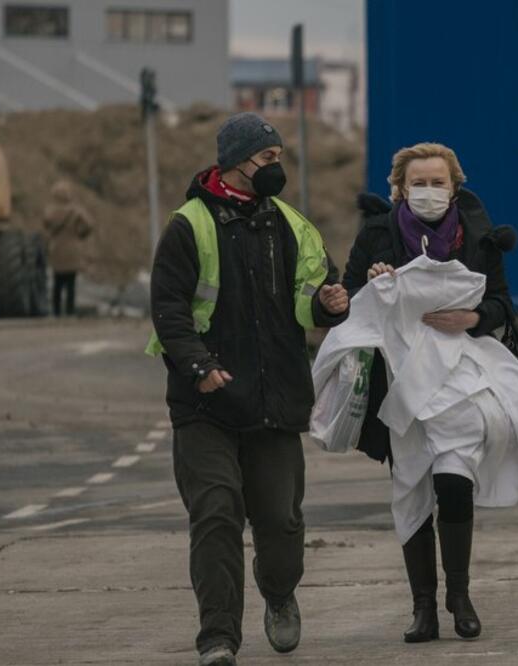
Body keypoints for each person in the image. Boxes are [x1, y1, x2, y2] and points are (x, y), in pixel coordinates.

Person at [147, 112, 350, 666]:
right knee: (215, 514)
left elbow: (315, 296)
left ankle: (280, 594)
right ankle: (217, 639)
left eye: (280, 157)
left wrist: (332, 305)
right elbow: (168, 311)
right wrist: (198, 367)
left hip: (277, 401)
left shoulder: (292, 225)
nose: (276, 167)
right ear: (236, 162)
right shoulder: (188, 226)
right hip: (205, 405)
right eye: (267, 158)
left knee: (282, 524)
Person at [340, 143, 518, 644]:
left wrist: (474, 317)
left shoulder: (480, 237)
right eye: (417, 183)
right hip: (400, 382)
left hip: (462, 373)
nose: (428, 192)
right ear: (399, 188)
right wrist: (372, 284)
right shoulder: (377, 234)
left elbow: (502, 304)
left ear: (455, 187)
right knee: (412, 486)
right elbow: (348, 299)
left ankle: (458, 595)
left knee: (454, 482)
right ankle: (423, 608)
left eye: (437, 183)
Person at [42, 180, 92, 316]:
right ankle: (70, 312)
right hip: (72, 251)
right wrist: (80, 234)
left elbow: (45, 224)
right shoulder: (76, 211)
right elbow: (88, 224)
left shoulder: (50, 211)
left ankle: (56, 312)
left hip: (56, 250)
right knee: (71, 284)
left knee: (57, 284)